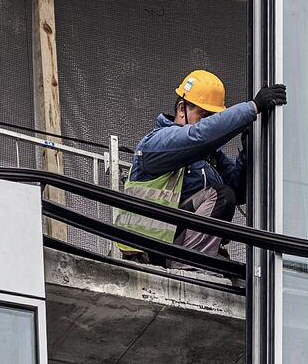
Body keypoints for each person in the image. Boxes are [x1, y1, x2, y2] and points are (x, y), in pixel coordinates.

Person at [118, 70, 285, 260]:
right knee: (220, 195)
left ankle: (197, 261)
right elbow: (199, 136)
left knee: (225, 196)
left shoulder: (209, 157)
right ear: (182, 109)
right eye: (204, 116)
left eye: (214, 117)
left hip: (173, 245)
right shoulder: (155, 144)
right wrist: (252, 108)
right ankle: (191, 265)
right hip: (149, 251)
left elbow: (236, 193)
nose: (209, 123)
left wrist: (246, 154)